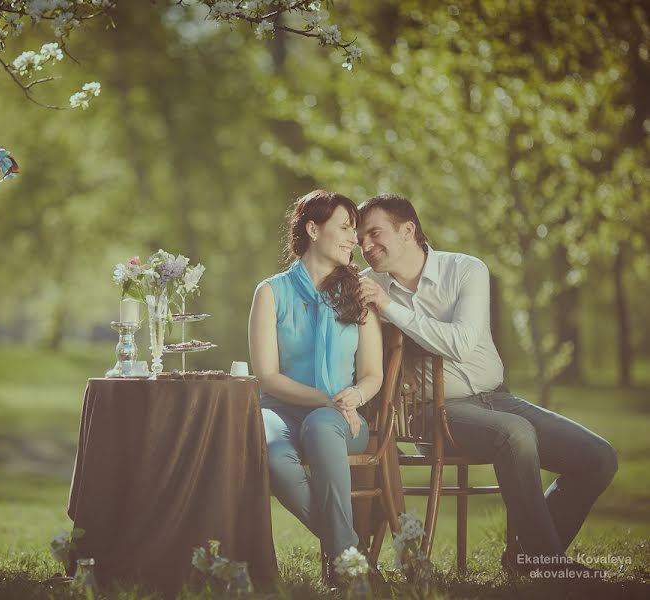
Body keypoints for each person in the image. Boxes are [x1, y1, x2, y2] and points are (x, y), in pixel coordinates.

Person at [356, 193, 618, 575]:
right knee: (515, 435)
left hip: (498, 398)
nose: (365, 245)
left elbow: (462, 343)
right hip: (431, 413)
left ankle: (526, 558)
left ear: (408, 230)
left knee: (599, 458)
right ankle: (549, 566)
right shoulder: (366, 286)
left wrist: (390, 309)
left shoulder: (466, 270)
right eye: (360, 237)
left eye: (374, 233)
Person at [248, 190, 384, 576]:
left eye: (353, 231)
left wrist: (354, 396)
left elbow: (373, 373)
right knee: (272, 453)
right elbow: (267, 376)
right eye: (344, 228)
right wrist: (325, 399)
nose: (354, 239)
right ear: (312, 229)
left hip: (343, 418)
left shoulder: (359, 294)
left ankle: (347, 562)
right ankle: (350, 556)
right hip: (280, 410)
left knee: (322, 428)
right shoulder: (271, 292)